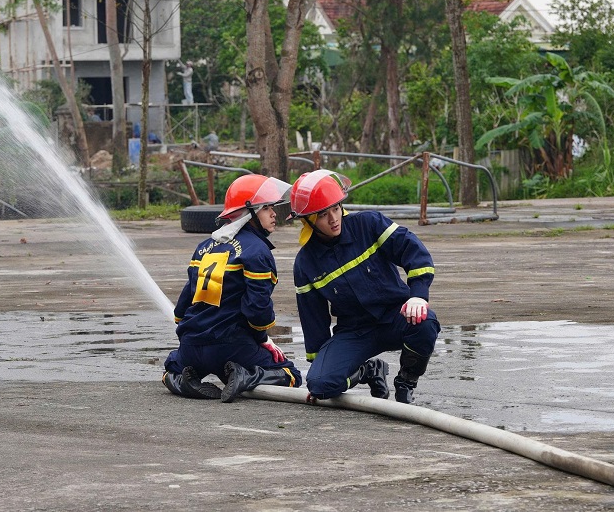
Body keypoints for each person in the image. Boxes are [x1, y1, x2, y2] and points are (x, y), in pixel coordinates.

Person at [289, 169, 440, 404]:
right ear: (308, 221)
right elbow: (313, 318)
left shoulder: (369, 224)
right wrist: (322, 366)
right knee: (320, 385)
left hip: (395, 317)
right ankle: (368, 371)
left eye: (336, 208)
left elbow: (413, 251)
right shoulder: (305, 262)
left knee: (425, 322)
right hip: (354, 332)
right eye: (322, 215)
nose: (333, 219)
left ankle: (405, 383)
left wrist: (418, 295)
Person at [163, 174, 303, 402]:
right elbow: (258, 311)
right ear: (249, 213)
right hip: (232, 347)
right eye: (266, 208)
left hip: (191, 346)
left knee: (172, 367)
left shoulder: (204, 247)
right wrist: (262, 340)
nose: (274, 213)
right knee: (291, 375)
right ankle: (245, 375)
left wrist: (192, 337)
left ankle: (179, 379)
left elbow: (182, 307)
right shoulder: (257, 251)